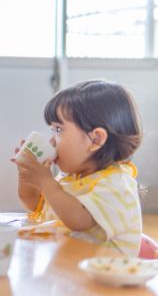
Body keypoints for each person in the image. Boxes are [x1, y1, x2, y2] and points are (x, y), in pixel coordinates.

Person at [14, 80, 143, 256]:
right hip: (68, 273)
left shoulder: (117, 184)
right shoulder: (69, 178)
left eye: (58, 130)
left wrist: (46, 182)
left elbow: (78, 219)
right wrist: (26, 173)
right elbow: (31, 202)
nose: (51, 141)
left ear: (96, 139)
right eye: (52, 130)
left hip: (103, 280)